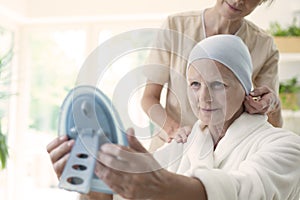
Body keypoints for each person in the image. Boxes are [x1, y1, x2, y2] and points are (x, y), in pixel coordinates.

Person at [47, 35, 300, 200]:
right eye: (194, 84)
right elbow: (134, 187)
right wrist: (95, 184)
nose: (204, 98)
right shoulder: (187, 142)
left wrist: (161, 185)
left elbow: (245, 191)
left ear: (246, 88)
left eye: (218, 84)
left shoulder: (286, 146)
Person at [141, 0, 282, 151]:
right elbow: (149, 98)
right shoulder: (176, 26)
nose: (238, 0)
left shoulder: (263, 45)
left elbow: (274, 126)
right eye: (195, 84)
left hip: (224, 154)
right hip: (175, 144)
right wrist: (174, 130)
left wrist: (272, 105)